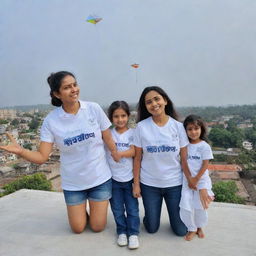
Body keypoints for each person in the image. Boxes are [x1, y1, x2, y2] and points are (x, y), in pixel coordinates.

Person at [0, 71, 119, 234]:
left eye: (75, 85)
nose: (74, 89)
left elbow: (108, 138)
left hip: (99, 178)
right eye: (67, 87)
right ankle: (80, 210)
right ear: (57, 94)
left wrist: (118, 156)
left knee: (98, 227)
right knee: (78, 228)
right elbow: (42, 157)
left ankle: (90, 207)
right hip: (73, 182)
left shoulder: (93, 109)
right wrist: (21, 151)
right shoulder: (51, 120)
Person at [132, 86, 191, 236]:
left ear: (165, 100)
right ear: (146, 106)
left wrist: (191, 182)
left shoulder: (178, 127)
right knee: (151, 228)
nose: (154, 104)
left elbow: (184, 159)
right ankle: (151, 218)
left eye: (157, 99)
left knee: (180, 231)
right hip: (150, 185)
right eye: (148, 102)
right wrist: (136, 185)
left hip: (174, 184)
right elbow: (137, 158)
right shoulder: (141, 127)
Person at [106, 101, 140, 249]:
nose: (120, 119)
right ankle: (121, 231)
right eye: (116, 116)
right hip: (113, 179)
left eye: (123, 116)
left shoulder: (133, 133)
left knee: (132, 209)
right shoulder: (108, 134)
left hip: (129, 179)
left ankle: (133, 233)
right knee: (118, 209)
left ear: (128, 116)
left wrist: (118, 154)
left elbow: (134, 152)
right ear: (111, 118)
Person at [179, 115, 214, 241]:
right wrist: (190, 179)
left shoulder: (204, 146)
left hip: (201, 181)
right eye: (189, 129)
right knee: (185, 205)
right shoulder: (184, 146)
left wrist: (196, 180)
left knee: (200, 206)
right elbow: (183, 162)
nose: (193, 132)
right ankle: (191, 228)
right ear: (185, 131)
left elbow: (205, 165)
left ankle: (200, 227)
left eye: (196, 128)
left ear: (201, 129)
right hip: (186, 181)